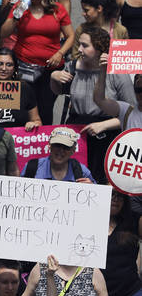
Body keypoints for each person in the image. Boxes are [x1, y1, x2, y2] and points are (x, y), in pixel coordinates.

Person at [52, 26, 134, 183]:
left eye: (85, 45)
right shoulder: (73, 66)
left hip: (106, 134)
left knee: (100, 179)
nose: (79, 49)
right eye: (79, 44)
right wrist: (53, 77)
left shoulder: (115, 72)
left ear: (99, 48)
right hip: (77, 132)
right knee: (75, 178)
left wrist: (103, 125)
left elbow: (131, 113)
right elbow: (58, 91)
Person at [0, 0, 73, 124]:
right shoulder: (21, 8)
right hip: (23, 65)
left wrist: (60, 53)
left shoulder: (58, 10)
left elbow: (71, 36)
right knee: (23, 106)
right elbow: (4, 33)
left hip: (49, 68)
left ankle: (43, 141)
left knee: (45, 108)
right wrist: (16, 16)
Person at [0, 48, 42, 130]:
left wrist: (33, 124)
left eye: (9, 65)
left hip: (17, 139)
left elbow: (37, 121)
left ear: (14, 68)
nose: (4, 68)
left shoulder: (24, 88)